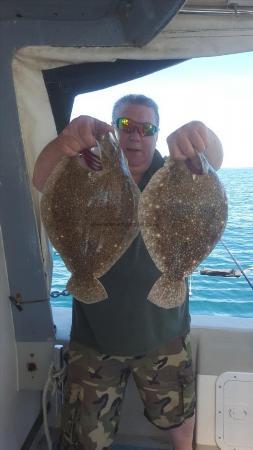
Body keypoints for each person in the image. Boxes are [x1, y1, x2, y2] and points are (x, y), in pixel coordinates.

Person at [33, 94, 223, 450]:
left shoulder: (174, 174)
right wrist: (64, 143)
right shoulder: (88, 170)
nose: (136, 136)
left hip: (163, 334)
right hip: (94, 339)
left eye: (146, 128)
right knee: (83, 439)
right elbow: (43, 178)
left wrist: (203, 137)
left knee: (178, 418)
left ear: (156, 134)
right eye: (125, 125)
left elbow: (212, 161)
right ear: (113, 129)